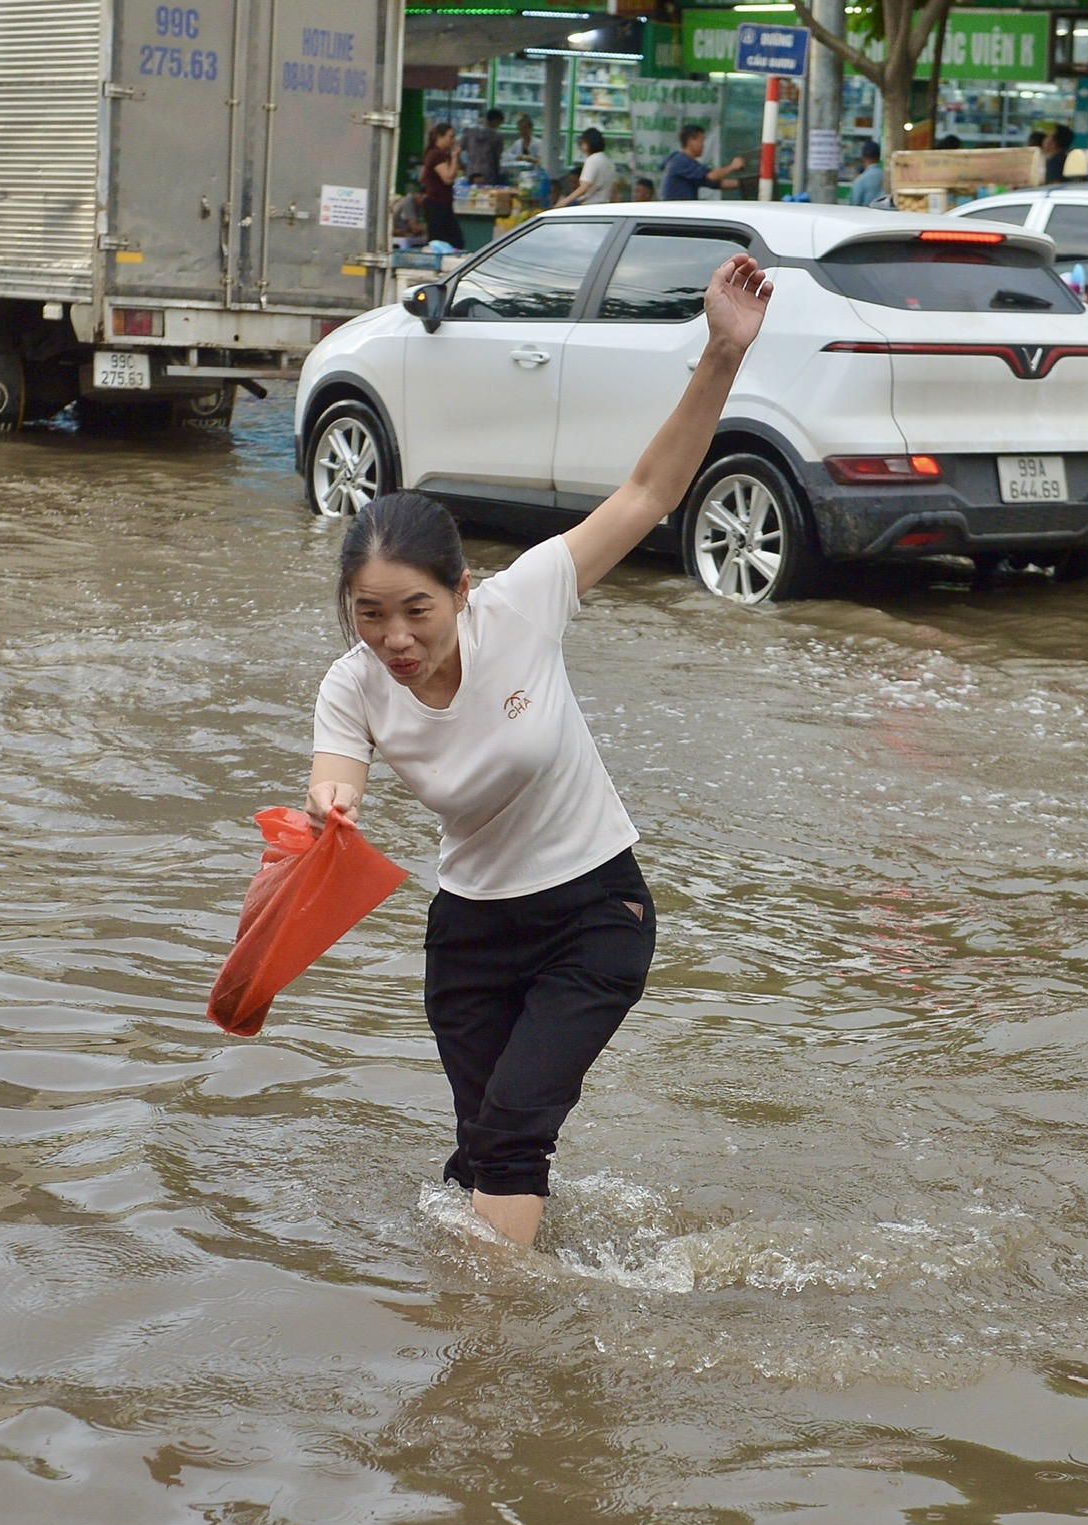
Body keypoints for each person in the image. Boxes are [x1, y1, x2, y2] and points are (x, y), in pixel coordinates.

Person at [306, 254, 773, 1249]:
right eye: (370, 616)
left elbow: (648, 492)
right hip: (467, 940)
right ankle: (495, 1315)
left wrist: (720, 355)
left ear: (462, 590)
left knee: (514, 1133)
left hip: (592, 916)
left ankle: (497, 1344)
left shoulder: (525, 600)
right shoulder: (352, 683)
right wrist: (330, 810)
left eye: (416, 611)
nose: (395, 639)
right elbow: (332, 780)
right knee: (480, 1149)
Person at [661, 124, 747, 201]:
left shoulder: (689, 166)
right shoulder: (680, 161)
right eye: (701, 141)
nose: (703, 145)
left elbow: (720, 183)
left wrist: (748, 183)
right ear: (691, 140)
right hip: (678, 213)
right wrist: (732, 166)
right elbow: (711, 176)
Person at [418, 124, 462, 249]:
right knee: (445, 240)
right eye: (450, 137)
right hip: (436, 204)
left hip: (443, 203)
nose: (453, 141)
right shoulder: (435, 155)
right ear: (440, 137)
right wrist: (455, 158)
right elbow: (448, 178)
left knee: (451, 240)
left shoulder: (440, 155)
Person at [559, 127, 615, 206]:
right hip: (605, 204)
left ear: (588, 143)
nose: (582, 146)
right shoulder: (608, 161)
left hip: (591, 205)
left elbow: (584, 187)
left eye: (583, 142)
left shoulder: (592, 160)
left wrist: (564, 202)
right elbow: (613, 189)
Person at [460, 108, 506, 187]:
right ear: (496, 121)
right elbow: (497, 157)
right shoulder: (497, 137)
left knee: (473, 196)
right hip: (488, 174)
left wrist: (463, 166)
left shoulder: (470, 132)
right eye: (500, 123)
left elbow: (457, 150)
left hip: (471, 172)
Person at [847, 138, 884, 207]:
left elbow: (853, 206)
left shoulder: (861, 180)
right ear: (879, 157)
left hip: (866, 216)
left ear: (863, 158)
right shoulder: (888, 177)